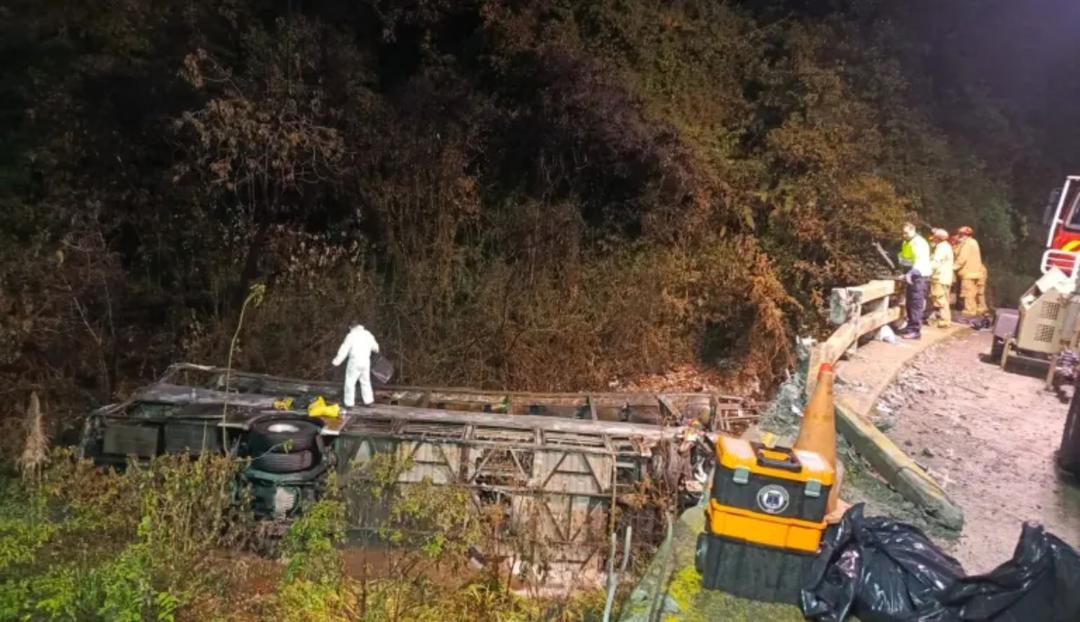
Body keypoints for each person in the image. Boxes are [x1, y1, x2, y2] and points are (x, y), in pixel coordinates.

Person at [332, 323, 380, 407]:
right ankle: (369, 401)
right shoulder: (367, 334)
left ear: (351, 327)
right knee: (366, 381)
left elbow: (344, 350)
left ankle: (349, 403)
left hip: (354, 362)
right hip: (366, 361)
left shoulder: (350, 336)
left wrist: (336, 362)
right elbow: (376, 348)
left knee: (350, 382)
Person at [898, 222, 931, 340]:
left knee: (916, 304)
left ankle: (915, 331)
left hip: (920, 276)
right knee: (909, 303)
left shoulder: (919, 242)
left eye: (906, 232)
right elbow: (906, 259)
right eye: (902, 233)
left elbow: (920, 261)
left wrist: (910, 273)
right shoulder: (906, 242)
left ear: (913, 230)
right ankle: (910, 326)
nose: (904, 235)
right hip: (912, 275)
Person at [953, 226, 988, 319]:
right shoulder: (973, 242)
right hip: (976, 272)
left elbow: (962, 258)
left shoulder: (967, 244)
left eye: (960, 235)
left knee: (968, 294)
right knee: (974, 294)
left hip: (968, 273)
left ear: (963, 235)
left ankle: (969, 313)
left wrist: (952, 267)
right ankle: (978, 311)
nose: (959, 237)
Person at [929, 228, 954, 328]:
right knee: (944, 299)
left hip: (939, 278)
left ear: (937, 239)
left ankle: (943, 321)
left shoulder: (941, 248)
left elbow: (935, 262)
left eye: (934, 238)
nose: (932, 240)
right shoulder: (946, 246)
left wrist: (925, 270)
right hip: (945, 278)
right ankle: (946, 320)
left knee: (939, 299)